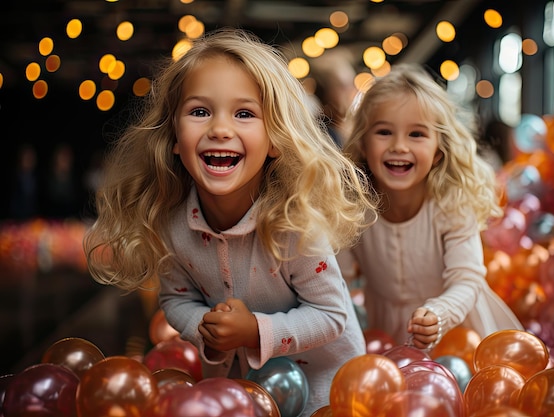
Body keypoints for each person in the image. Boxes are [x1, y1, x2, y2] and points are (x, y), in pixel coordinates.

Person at [83, 28, 378, 415]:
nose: (220, 129)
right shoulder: (173, 225)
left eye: (243, 114)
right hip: (237, 393)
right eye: (200, 112)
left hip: (324, 391)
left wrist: (255, 331)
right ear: (174, 135)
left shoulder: (293, 225)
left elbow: (332, 316)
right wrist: (207, 326)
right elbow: (175, 299)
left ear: (275, 139)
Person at [339, 64, 524, 349]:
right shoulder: (354, 208)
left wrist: (439, 314)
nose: (399, 146)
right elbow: (336, 279)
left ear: (438, 151)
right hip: (386, 334)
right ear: (363, 144)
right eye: (384, 132)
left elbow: (467, 279)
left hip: (459, 332)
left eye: (416, 135)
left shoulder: (451, 204)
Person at [308, 47, 359, 147]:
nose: (352, 90)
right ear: (325, 92)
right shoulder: (323, 135)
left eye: (352, 84)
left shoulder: (350, 128)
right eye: (344, 86)